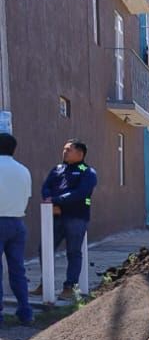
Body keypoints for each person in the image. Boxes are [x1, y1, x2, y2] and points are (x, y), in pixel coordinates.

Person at [41, 140, 97, 300]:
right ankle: (44, 283)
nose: (64, 152)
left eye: (69, 150)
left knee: (73, 252)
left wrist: (56, 200)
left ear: (80, 154)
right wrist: (49, 200)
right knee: (44, 249)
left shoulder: (87, 172)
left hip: (76, 217)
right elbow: (46, 186)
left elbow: (80, 193)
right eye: (64, 149)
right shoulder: (57, 169)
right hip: (55, 216)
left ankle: (69, 286)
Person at [0, 133, 34, 326]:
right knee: (17, 269)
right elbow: (26, 196)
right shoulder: (23, 170)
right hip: (17, 223)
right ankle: (25, 311)